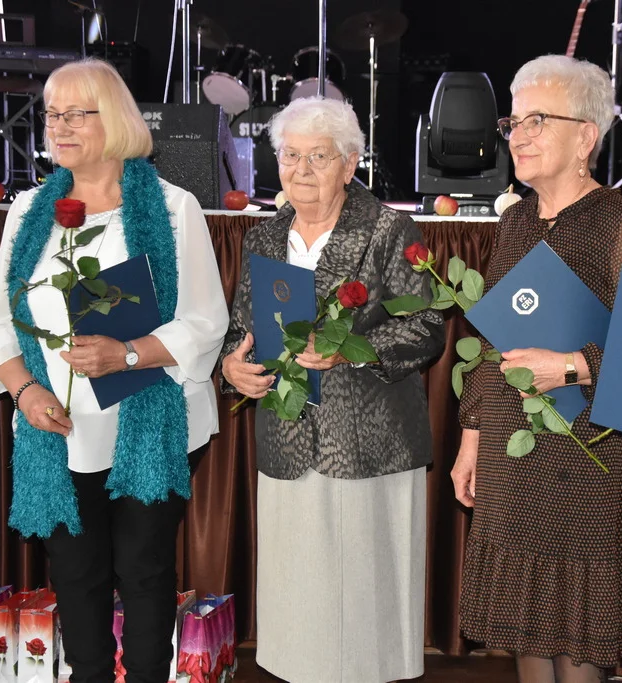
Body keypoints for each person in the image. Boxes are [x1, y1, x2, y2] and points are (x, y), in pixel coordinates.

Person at [0, 58, 228, 683]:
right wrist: (25, 388)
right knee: (76, 577)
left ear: (112, 120)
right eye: (50, 114)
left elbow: (205, 323)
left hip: (150, 418)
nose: (57, 126)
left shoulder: (172, 208)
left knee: (144, 575)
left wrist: (128, 353)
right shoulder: (30, 210)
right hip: (55, 428)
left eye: (73, 114)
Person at [450, 55, 622, 682]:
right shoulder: (515, 221)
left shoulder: (620, 225)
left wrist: (571, 366)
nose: (517, 134)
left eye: (537, 120)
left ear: (587, 138)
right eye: (514, 121)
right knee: (528, 637)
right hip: (511, 461)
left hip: (584, 462)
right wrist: (472, 441)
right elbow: (491, 344)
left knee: (574, 646)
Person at [219, 96, 444, 683]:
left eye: (318, 157)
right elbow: (242, 327)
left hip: (369, 443)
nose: (301, 170)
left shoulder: (388, 229)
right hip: (289, 439)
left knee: (366, 618)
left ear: (350, 164)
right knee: (299, 611)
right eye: (290, 156)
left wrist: (351, 349)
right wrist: (232, 367)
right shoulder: (265, 238)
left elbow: (425, 329)